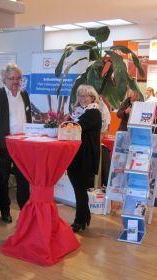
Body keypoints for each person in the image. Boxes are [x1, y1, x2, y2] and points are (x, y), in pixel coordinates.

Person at [0, 63, 32, 224]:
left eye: (18, 78)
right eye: (11, 78)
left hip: (22, 146)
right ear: (4, 79)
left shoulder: (24, 95)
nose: (15, 81)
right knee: (3, 179)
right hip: (3, 145)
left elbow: (28, 119)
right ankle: (5, 210)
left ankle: (25, 210)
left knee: (23, 180)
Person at [67, 85, 102, 232]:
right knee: (79, 189)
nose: (82, 98)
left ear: (92, 97)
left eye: (85, 96)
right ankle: (85, 216)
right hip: (77, 156)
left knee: (80, 190)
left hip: (85, 157)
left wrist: (66, 123)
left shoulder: (93, 113)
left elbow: (74, 127)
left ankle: (79, 221)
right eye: (80, 95)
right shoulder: (78, 112)